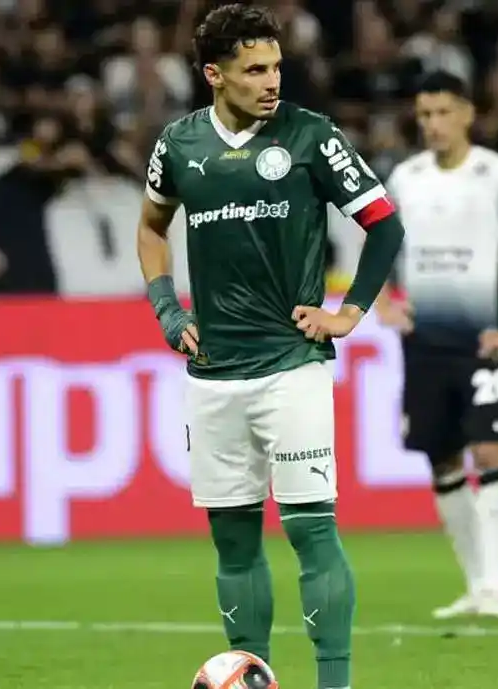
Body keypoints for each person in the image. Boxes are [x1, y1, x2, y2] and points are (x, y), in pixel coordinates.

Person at [134, 5, 405, 688]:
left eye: (276, 66)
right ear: (214, 74)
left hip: (292, 367)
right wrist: (166, 305)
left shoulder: (311, 136)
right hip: (214, 373)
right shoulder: (180, 145)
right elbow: (150, 227)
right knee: (233, 541)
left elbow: (384, 225)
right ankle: (256, 675)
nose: (271, 80)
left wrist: (349, 312)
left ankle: (334, 684)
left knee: (312, 530)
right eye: (255, 69)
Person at [375, 71, 498, 619]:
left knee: (490, 451)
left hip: (483, 344)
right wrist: (383, 300)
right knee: (442, 461)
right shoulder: (405, 179)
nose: (431, 124)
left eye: (441, 112)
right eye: (424, 114)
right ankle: (478, 584)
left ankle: (496, 589)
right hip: (424, 345)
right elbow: (377, 242)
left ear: (467, 114)